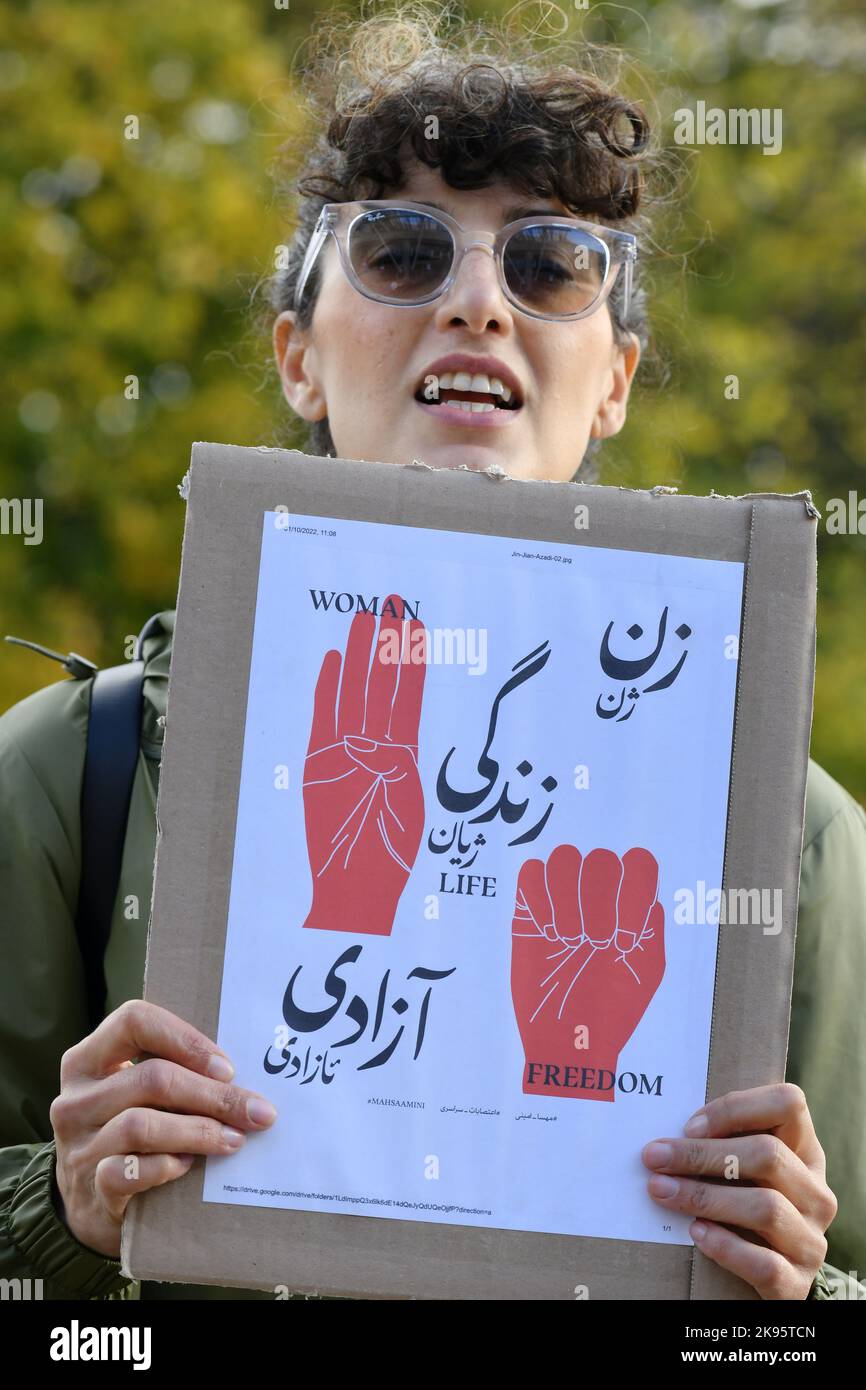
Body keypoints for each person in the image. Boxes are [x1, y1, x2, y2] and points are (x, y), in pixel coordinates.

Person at [1, 7, 864, 1302]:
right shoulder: (76, 770)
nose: (474, 301)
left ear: (614, 377)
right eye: (401, 252)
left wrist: (792, 1288)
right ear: (298, 357)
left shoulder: (786, 839)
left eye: (551, 263)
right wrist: (58, 1213)